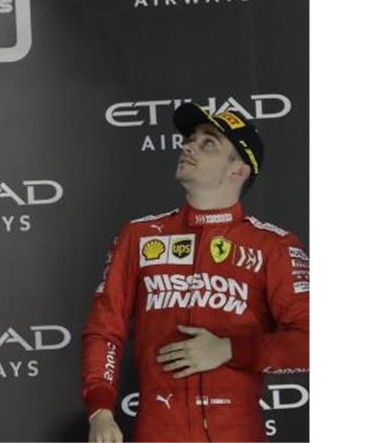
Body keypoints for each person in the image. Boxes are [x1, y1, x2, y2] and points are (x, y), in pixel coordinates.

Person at [81, 104, 309, 442]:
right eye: (190, 139)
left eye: (208, 143)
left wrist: (230, 349)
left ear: (238, 171)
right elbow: (104, 330)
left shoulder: (272, 246)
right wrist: (100, 410)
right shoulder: (140, 236)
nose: (188, 146)